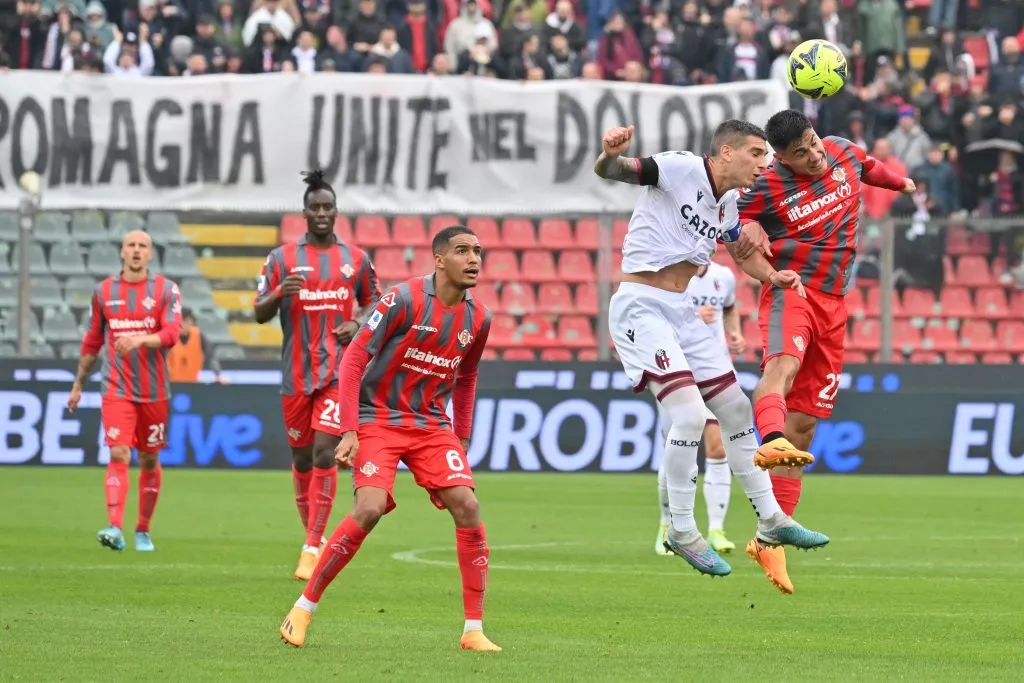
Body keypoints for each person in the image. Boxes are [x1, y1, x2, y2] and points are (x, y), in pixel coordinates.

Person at [596, 121, 830, 578]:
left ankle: (771, 519)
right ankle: (681, 530)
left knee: (737, 411)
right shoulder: (679, 168)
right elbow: (615, 172)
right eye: (758, 153)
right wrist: (609, 153)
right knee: (687, 416)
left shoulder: (727, 205)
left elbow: (741, 254)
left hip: (684, 313)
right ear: (726, 153)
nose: (766, 164)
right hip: (642, 307)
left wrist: (772, 277)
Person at [279, 226, 500, 652]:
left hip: (432, 426)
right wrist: (348, 428)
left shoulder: (479, 318)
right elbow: (355, 357)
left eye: (477, 251)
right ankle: (303, 608)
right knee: (369, 508)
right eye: (461, 251)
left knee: (468, 505)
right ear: (439, 259)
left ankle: (473, 629)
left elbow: (467, 377)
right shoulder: (403, 299)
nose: (473, 259)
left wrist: (463, 435)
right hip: (377, 419)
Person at [731, 109, 914, 593]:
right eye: (800, 154)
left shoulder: (842, 151)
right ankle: (769, 442)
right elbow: (731, 222)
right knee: (782, 368)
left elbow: (868, 166)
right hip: (793, 291)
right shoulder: (766, 185)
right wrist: (744, 229)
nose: (813, 156)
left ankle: (769, 540)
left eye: (813, 144)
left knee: (807, 422)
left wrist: (901, 183)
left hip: (835, 304)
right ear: (782, 159)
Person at [254, 170, 381, 581]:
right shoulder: (280, 260)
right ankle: (315, 537)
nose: (322, 213)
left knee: (325, 452)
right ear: (304, 213)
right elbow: (258, 312)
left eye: (328, 207)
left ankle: (311, 546)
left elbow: (376, 304)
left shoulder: (356, 260)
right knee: (302, 458)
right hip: (294, 375)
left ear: (336, 211)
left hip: (336, 372)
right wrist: (278, 294)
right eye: (315, 207)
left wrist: (359, 323)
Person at [67, 230, 183, 552]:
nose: (136, 250)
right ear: (122, 252)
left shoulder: (165, 290)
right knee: (118, 451)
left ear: (149, 254)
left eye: (142, 246)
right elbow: (92, 341)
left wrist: (140, 340)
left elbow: (173, 333)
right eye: (131, 245)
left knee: (148, 458)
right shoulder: (104, 292)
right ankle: (114, 527)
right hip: (116, 388)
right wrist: (78, 384)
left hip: (155, 390)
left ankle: (142, 530)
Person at [654, 260, 744, 557]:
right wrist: (693, 317)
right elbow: (653, 318)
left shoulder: (724, 276)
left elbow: (729, 308)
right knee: (674, 450)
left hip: (714, 368)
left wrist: (735, 333)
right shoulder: (671, 275)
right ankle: (667, 527)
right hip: (676, 369)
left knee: (718, 449)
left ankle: (716, 529)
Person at [166, 307, 229, 384]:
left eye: (184, 320)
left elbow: (210, 358)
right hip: (171, 384)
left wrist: (218, 375)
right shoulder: (169, 337)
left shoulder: (199, 337)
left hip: (193, 383)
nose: (181, 324)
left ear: (191, 322)